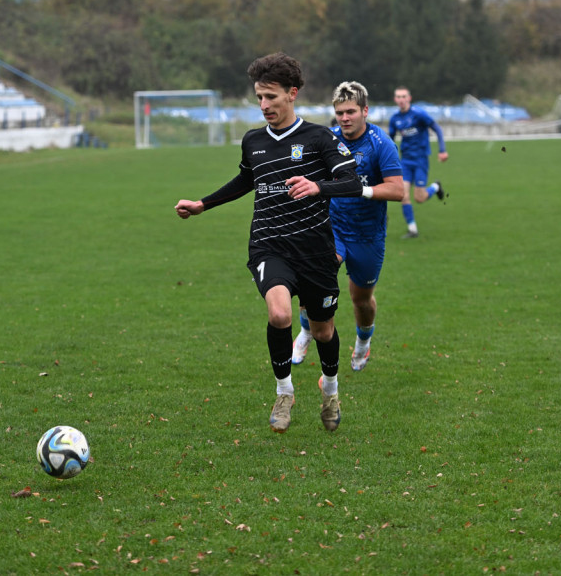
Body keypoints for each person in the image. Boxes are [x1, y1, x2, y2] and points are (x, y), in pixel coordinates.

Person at [174, 53, 365, 434]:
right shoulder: (254, 141)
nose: (264, 106)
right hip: (269, 245)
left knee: (324, 331)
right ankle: (284, 392)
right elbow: (246, 180)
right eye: (259, 97)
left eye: (271, 97)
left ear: (292, 94)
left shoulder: (319, 137)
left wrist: (317, 186)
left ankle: (330, 388)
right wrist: (203, 205)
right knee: (279, 315)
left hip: (315, 250)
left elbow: (353, 183)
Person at [292, 82, 404, 371]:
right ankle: (305, 332)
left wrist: (358, 190)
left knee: (361, 299)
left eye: (351, 111)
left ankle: (364, 343)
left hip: (368, 236)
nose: (345, 118)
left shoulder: (382, 144)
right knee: (312, 284)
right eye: (340, 112)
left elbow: (397, 190)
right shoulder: (329, 140)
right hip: (332, 229)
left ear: (365, 111)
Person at [388, 86, 447, 238]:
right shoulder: (395, 119)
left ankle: (435, 186)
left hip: (420, 160)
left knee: (419, 198)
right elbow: (391, 141)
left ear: (409, 98)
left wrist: (442, 150)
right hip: (405, 161)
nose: (401, 99)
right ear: (395, 99)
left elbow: (437, 129)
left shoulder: (419, 114)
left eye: (404, 96)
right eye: (398, 97)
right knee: (403, 195)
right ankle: (413, 229)